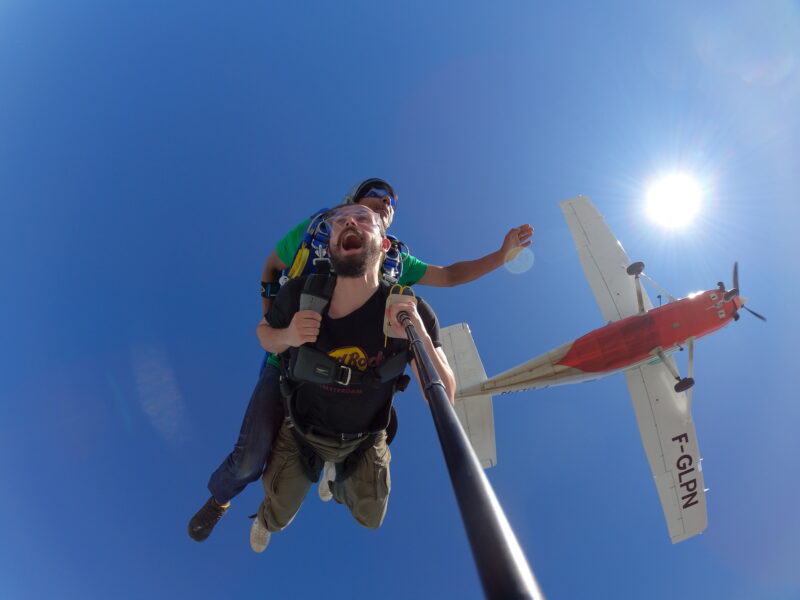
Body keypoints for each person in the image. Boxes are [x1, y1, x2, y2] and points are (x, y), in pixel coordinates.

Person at [188, 178, 532, 542]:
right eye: (375, 195)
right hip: (294, 353)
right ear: (350, 204)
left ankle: (337, 468)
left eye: (392, 202)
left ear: (384, 240)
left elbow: (449, 275)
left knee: (362, 436)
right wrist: (278, 323)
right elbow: (273, 266)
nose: (385, 202)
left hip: (361, 366)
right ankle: (221, 499)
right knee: (249, 456)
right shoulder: (314, 234)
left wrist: (501, 255)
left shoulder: (395, 260)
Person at [248, 203, 455, 551]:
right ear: (330, 246)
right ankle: (267, 519)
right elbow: (264, 335)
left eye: (362, 219)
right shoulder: (300, 294)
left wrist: (417, 333)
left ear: (384, 244)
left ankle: (337, 476)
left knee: (371, 516)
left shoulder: (408, 310)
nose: (349, 223)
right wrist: (289, 336)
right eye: (340, 221)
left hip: (365, 438)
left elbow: (444, 394)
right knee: (279, 511)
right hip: (300, 430)